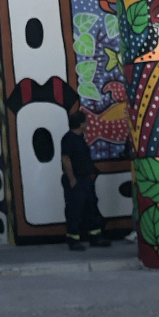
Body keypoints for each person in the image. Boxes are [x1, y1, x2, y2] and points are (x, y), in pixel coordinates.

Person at [61, 107, 111, 253]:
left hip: (86, 179)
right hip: (76, 179)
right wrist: (71, 179)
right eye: (86, 122)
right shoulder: (68, 138)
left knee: (91, 208)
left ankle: (95, 236)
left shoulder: (81, 138)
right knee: (74, 209)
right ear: (80, 124)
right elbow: (65, 158)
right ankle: (73, 239)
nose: (87, 124)